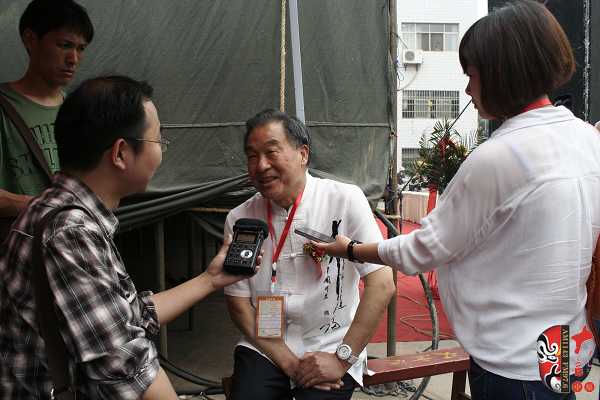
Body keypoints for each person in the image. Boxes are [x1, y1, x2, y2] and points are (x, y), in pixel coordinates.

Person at [314, 2, 600, 399]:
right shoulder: (587, 138)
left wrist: (351, 249)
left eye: (472, 76)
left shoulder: (500, 157)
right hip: (564, 348)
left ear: (500, 74)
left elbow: (422, 250)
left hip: (512, 364)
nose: (468, 90)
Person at [0, 76, 257, 399]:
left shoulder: (57, 209)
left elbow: (129, 315)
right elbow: (128, 369)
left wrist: (211, 279)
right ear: (121, 152)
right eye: (157, 140)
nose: (161, 151)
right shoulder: (71, 233)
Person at [224, 109, 395, 400]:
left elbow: (382, 284)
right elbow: (238, 304)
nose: (261, 165)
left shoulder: (345, 200)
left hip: (331, 344)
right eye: (252, 156)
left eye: (271, 152)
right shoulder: (240, 218)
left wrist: (342, 359)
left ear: (303, 154)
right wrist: (291, 365)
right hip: (266, 346)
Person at [0, 0, 93, 236]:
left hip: (71, 243)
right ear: (30, 40)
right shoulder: (4, 105)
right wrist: (45, 206)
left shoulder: (79, 109)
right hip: (17, 246)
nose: (73, 58)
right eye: (64, 45)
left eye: (81, 48)